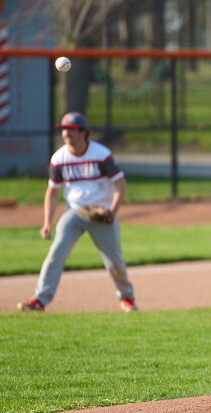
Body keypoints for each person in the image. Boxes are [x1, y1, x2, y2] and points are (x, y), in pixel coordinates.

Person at [18, 112, 138, 312]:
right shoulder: (59, 158)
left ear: (84, 132)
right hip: (75, 211)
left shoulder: (100, 154)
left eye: (71, 129)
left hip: (102, 213)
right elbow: (53, 192)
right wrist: (47, 222)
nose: (66, 133)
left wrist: (112, 212)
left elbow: (121, 184)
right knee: (56, 253)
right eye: (64, 129)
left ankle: (127, 298)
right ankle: (40, 299)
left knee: (114, 261)